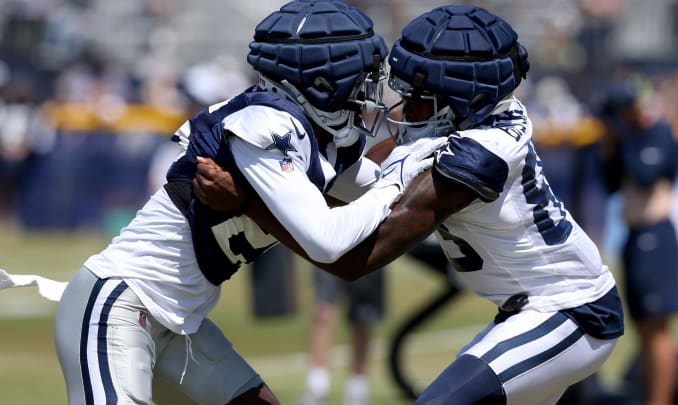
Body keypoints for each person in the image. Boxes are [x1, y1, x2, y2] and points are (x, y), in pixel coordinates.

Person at [193, 5, 625, 404]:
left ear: (465, 97)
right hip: (526, 310)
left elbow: (355, 260)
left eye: (421, 96)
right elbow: (347, 183)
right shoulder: (466, 122)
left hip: (571, 311)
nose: (406, 108)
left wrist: (248, 201)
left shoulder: (479, 155)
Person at [51, 1, 443, 404]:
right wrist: (400, 176)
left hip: (181, 323)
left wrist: (434, 143)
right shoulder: (265, 125)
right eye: (359, 76)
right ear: (321, 80)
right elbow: (330, 239)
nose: (367, 90)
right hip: (120, 306)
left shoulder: (312, 136)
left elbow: (377, 186)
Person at [597, 81, 678, 405]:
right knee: (643, 329)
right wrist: (612, 143)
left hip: (657, 235)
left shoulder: (658, 132)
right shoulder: (627, 138)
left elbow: (647, 176)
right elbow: (610, 185)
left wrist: (627, 137)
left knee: (657, 329)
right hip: (634, 236)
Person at [298, 266, 385, 405]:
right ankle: (317, 388)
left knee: (362, 319)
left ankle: (357, 390)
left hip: (366, 251)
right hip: (330, 249)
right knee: (323, 313)